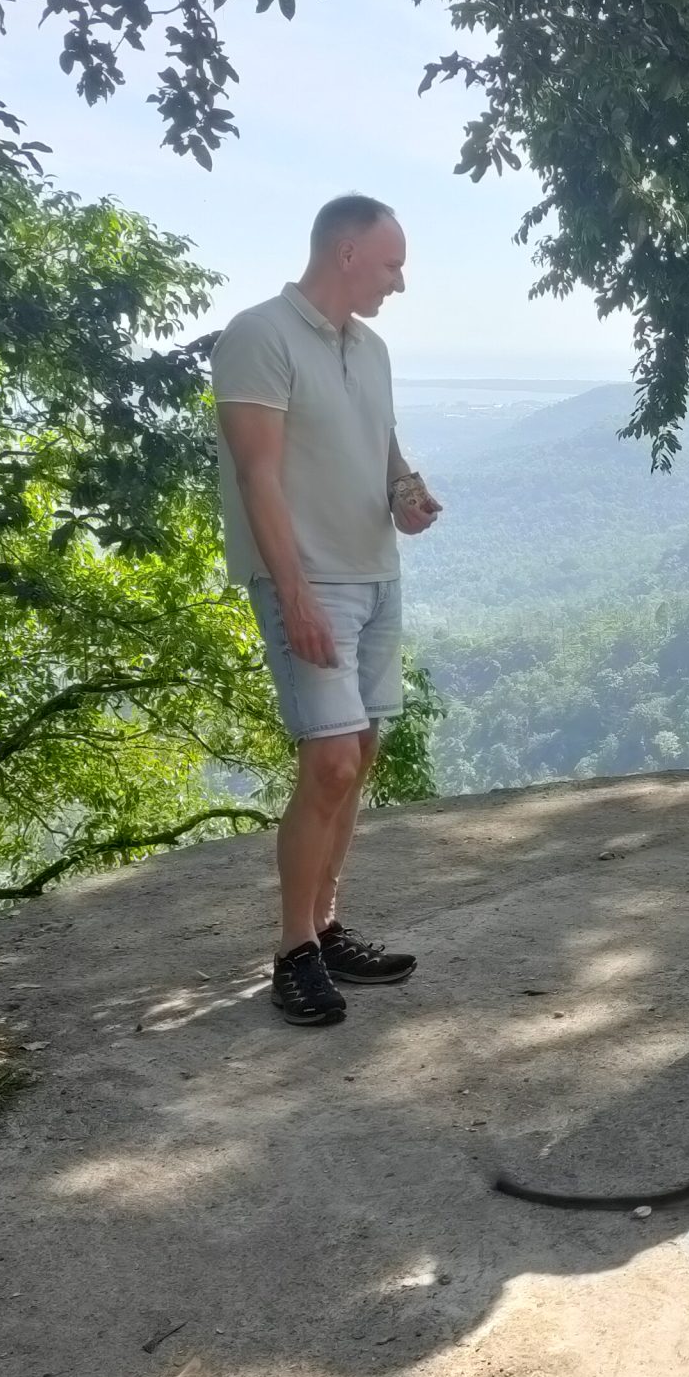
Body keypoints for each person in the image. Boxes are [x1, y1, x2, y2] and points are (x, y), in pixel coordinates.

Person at [213, 195, 440, 1027]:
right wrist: (296, 592)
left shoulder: (370, 348)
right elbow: (257, 475)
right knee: (332, 761)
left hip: (377, 574)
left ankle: (328, 924)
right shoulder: (258, 336)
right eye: (391, 264)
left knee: (363, 751)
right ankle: (293, 950)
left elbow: (382, 448)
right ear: (346, 253)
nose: (400, 282)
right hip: (307, 583)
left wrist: (406, 494)